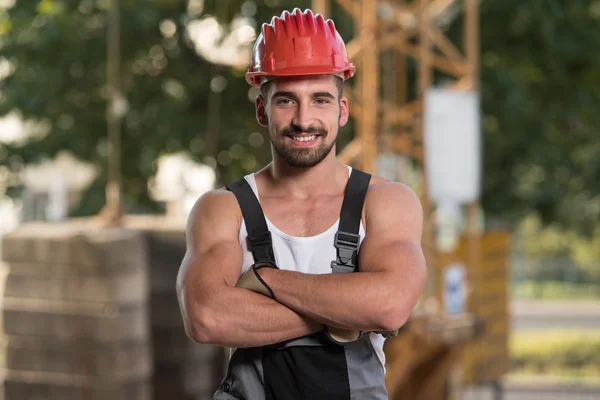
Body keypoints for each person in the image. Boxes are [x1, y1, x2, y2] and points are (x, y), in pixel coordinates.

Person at [176, 8, 427, 400]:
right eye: (286, 101)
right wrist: (347, 314)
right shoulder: (223, 208)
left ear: (342, 111)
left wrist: (265, 281)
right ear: (262, 109)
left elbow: (390, 307)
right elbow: (207, 318)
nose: (304, 119)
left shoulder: (386, 202)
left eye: (321, 100)